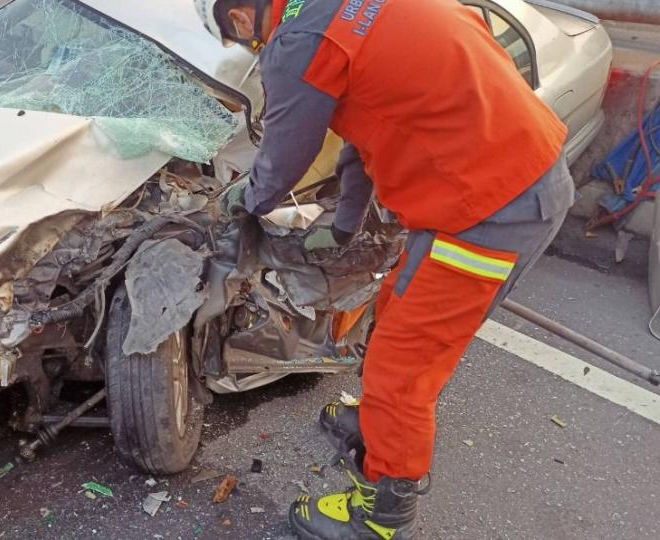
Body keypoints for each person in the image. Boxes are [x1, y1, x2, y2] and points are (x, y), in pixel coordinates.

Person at [194, 0, 576, 538]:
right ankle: (377, 427)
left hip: (489, 211)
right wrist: (344, 223)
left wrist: (244, 199)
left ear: (239, 19)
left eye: (241, 44)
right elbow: (364, 130)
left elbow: (286, 153)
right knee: (395, 306)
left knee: (404, 369)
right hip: (503, 181)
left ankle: (381, 511)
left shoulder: (298, 42)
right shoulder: (343, 11)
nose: (252, 50)